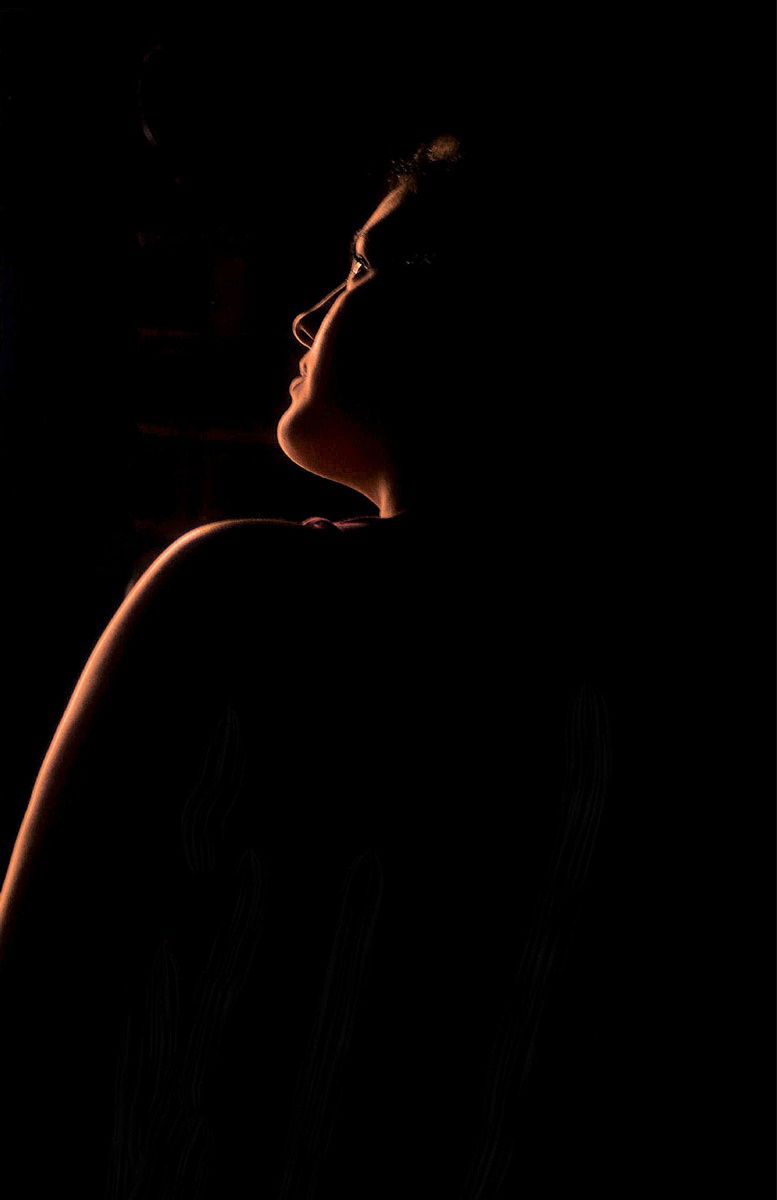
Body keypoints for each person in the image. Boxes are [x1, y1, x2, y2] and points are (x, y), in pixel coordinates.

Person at [0, 134, 616, 1198]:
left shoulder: (237, 587)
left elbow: (40, 973)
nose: (307, 316)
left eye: (366, 267)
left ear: (469, 311)